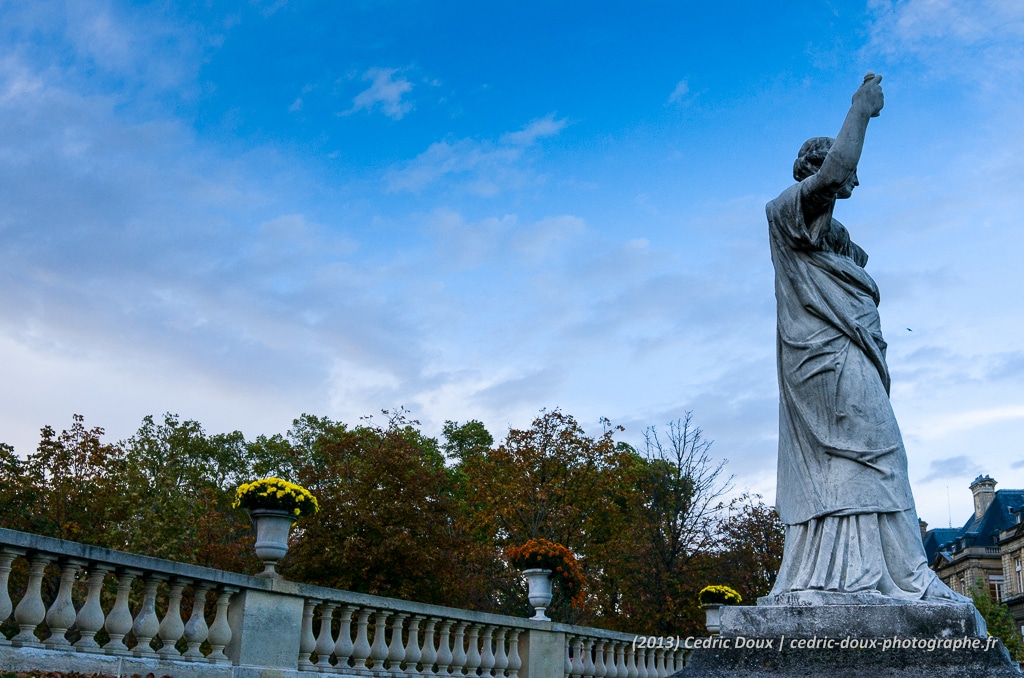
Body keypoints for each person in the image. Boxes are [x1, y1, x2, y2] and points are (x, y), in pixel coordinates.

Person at [765, 74, 965, 602]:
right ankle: (902, 576)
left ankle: (854, 571)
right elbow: (835, 172)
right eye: (847, 170)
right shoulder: (785, 212)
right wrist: (860, 110)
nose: (855, 180)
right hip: (822, 363)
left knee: (870, 456)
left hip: (845, 353)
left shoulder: (837, 238)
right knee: (882, 450)